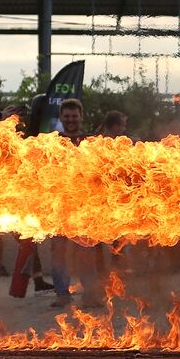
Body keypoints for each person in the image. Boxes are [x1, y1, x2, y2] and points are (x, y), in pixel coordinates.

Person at [47, 99, 104, 308]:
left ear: (81, 117)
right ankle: (62, 294)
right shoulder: (53, 143)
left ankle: (90, 293)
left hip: (85, 206)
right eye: (67, 116)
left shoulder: (90, 142)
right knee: (58, 252)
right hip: (60, 205)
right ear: (61, 118)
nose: (70, 120)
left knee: (86, 253)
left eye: (74, 116)